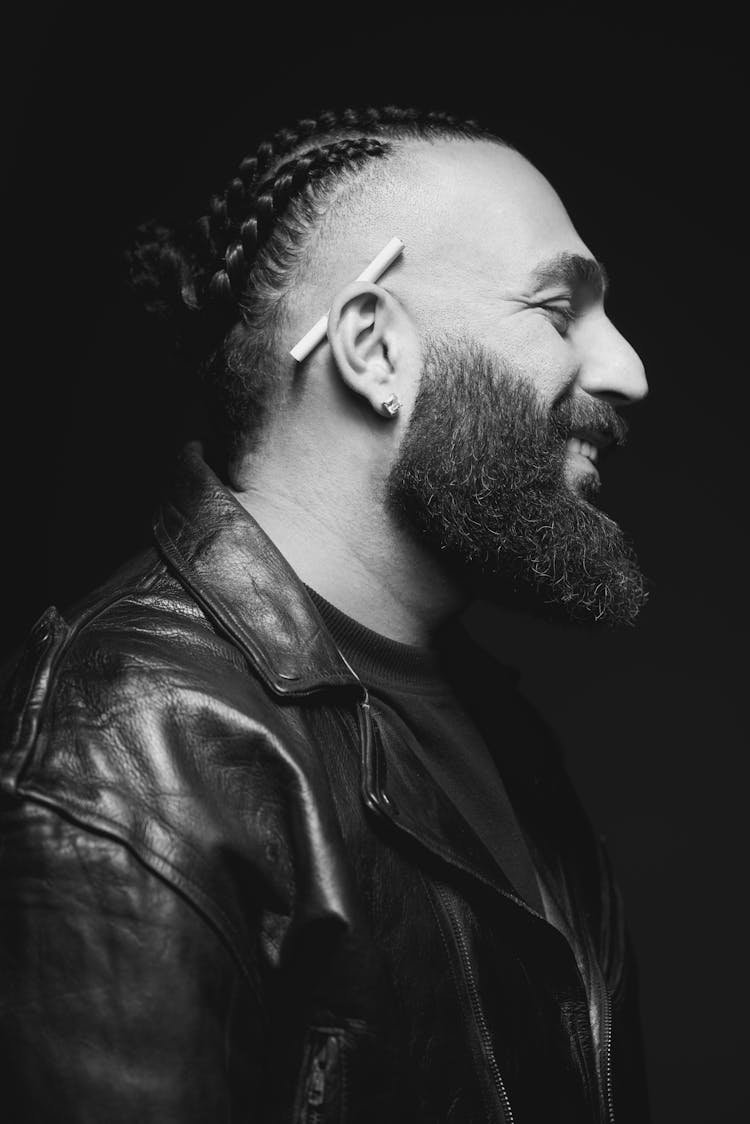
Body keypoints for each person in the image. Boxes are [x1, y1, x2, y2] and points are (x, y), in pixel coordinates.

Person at [0, 106, 651, 1122]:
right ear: (371, 349)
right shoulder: (135, 745)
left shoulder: (505, 736)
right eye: (559, 309)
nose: (627, 371)